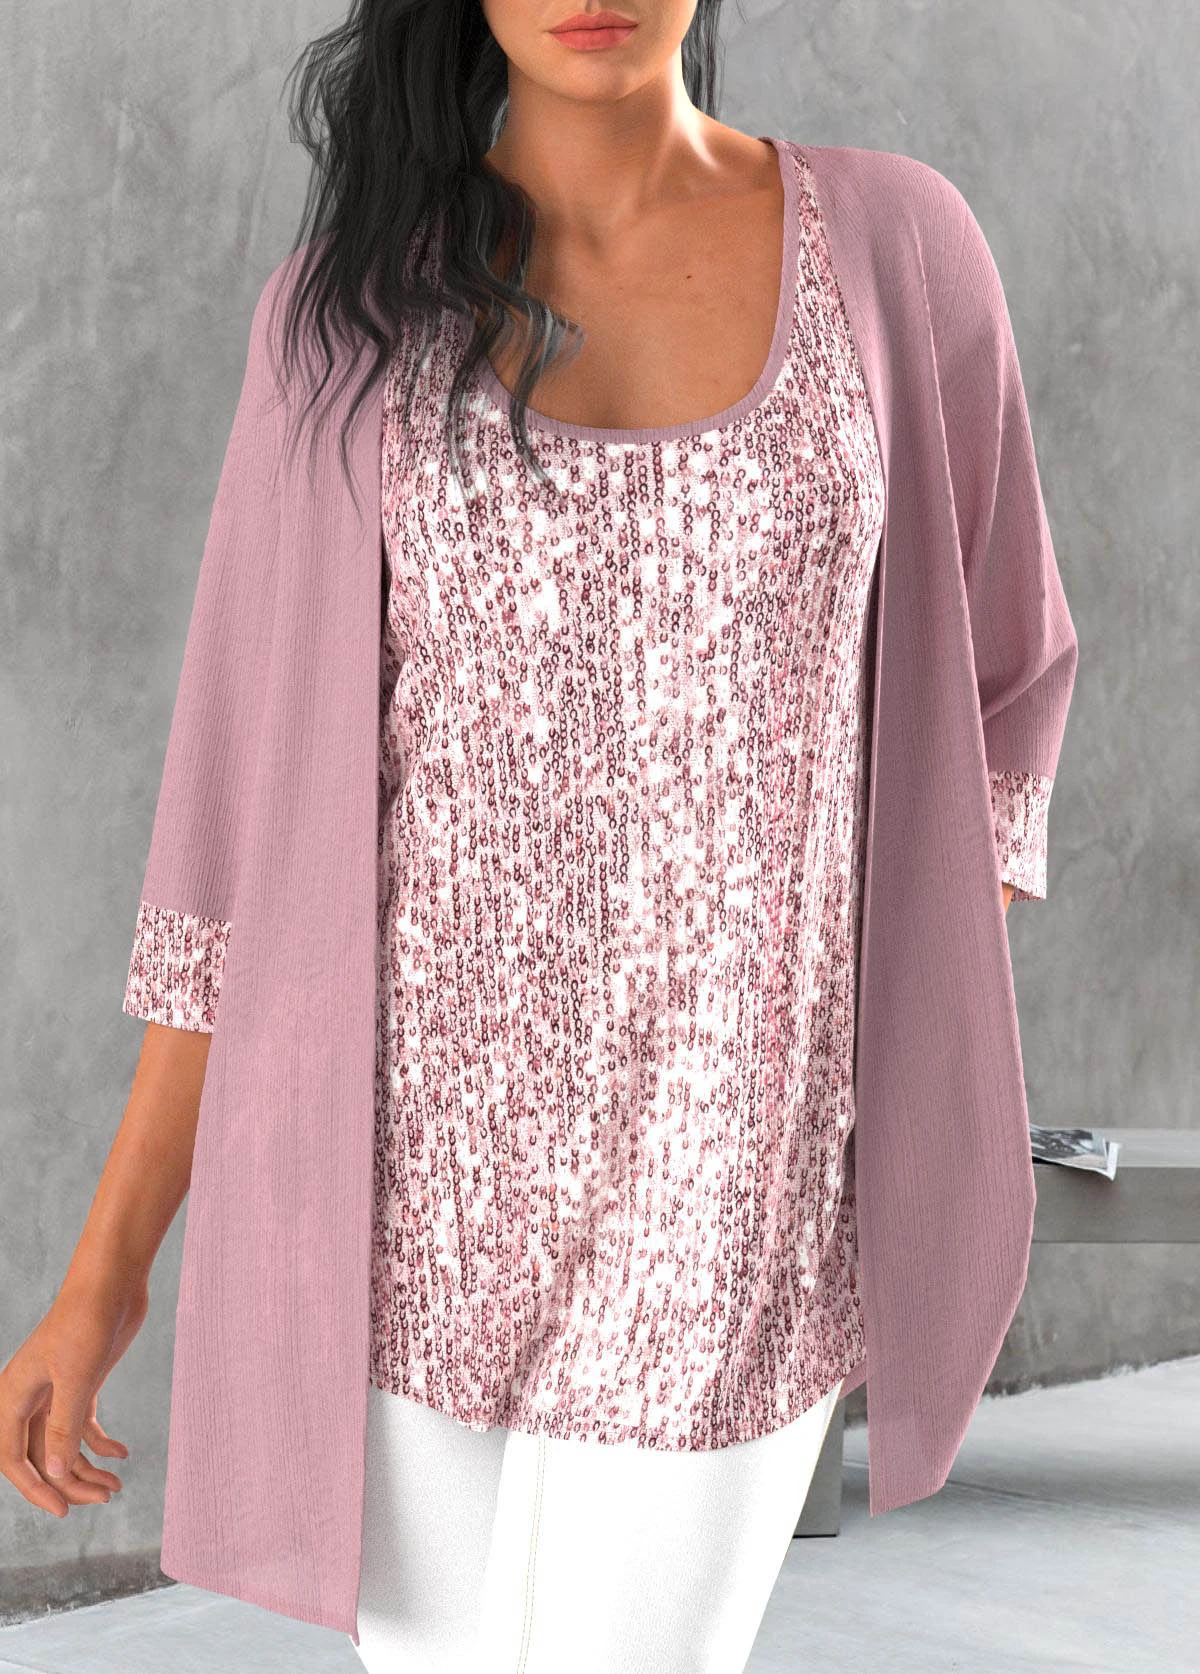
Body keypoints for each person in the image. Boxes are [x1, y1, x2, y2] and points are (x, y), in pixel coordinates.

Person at [0, 3, 1076, 1672]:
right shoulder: (347, 315)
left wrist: (858, 1048)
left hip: (733, 1178)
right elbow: (232, 836)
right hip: (405, 1193)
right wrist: (107, 1267)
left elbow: (1005, 691)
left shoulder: (894, 248)